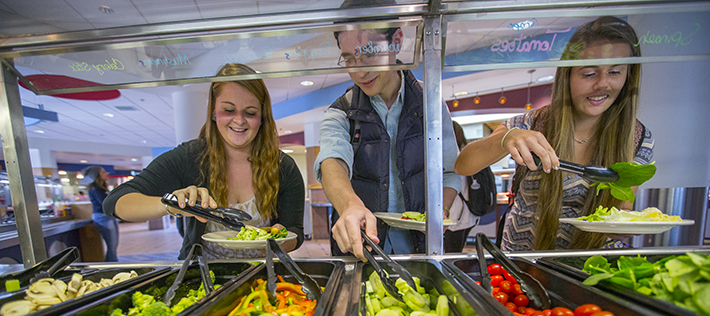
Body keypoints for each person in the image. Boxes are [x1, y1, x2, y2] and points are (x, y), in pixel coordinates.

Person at [455, 16, 654, 251]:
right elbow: (463, 165)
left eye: (615, 72)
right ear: (567, 75)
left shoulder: (638, 138)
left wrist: (633, 223)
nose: (603, 84)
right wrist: (507, 138)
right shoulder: (533, 122)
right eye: (589, 74)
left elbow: (621, 210)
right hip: (522, 263)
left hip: (588, 266)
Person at [104, 63, 305, 260]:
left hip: (262, 276)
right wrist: (172, 204)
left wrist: (278, 240)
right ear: (213, 112)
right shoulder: (190, 157)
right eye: (229, 110)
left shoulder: (283, 166)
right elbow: (116, 202)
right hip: (202, 277)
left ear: (262, 117)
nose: (239, 120)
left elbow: (295, 230)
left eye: (250, 113)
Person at [315, 6, 461, 259]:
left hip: (420, 248)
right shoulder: (341, 111)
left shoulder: (431, 103)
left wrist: (441, 210)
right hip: (361, 247)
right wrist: (350, 206)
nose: (359, 71)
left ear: (396, 41)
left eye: (368, 53)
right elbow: (332, 160)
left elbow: (449, 171)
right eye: (349, 59)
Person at [444, 121, 478, 253]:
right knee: (456, 252)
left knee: (449, 255)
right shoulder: (468, 156)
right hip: (468, 214)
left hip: (453, 215)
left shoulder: (453, 158)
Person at [83, 166, 119, 262]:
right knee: (112, 245)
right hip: (103, 218)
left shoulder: (102, 188)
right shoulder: (96, 189)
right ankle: (112, 267)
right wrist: (115, 193)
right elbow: (105, 203)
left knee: (113, 245)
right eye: (103, 172)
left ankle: (113, 265)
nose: (106, 173)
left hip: (107, 217)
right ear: (97, 175)